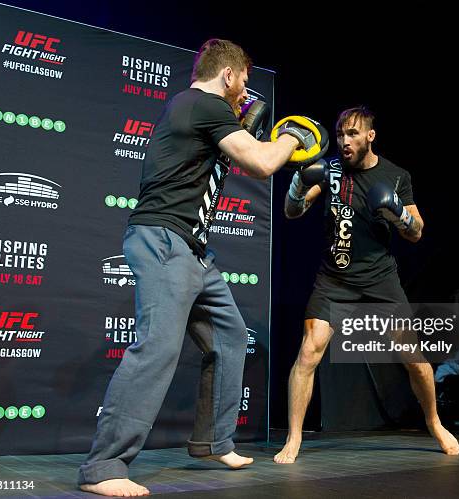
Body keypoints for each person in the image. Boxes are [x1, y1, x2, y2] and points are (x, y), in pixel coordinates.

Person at [78, 39, 323, 497]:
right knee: (157, 348)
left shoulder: (204, 114)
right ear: (227, 75)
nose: (245, 93)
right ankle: (104, 466)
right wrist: (295, 135)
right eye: (243, 83)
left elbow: (246, 163)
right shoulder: (203, 104)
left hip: (192, 250)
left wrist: (253, 137)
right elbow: (262, 162)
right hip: (165, 239)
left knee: (229, 336)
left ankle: (214, 439)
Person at [274, 106, 459, 464]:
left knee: (416, 361)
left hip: (379, 279)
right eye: (341, 134)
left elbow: (417, 232)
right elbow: (291, 212)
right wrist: (298, 184)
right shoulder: (327, 169)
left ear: (370, 136)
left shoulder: (395, 176)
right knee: (309, 351)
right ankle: (294, 438)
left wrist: (399, 213)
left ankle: (435, 422)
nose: (345, 141)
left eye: (353, 134)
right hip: (334, 277)